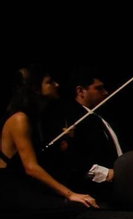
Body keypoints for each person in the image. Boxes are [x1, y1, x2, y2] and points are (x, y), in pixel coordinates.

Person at [1, 66, 99, 211]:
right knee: (73, 207)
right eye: (50, 82)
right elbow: (30, 168)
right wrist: (70, 194)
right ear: (35, 89)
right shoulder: (20, 119)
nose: (57, 85)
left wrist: (63, 144)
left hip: (26, 186)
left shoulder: (37, 119)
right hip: (11, 189)